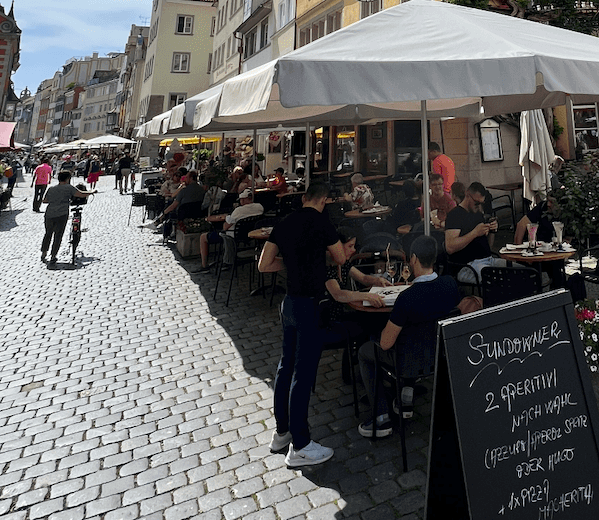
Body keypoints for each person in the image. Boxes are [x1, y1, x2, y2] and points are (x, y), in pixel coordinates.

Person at [258, 181, 345, 469]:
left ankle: (281, 432)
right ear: (323, 201)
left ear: (304, 198)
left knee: (285, 366)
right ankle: (301, 444)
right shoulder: (322, 223)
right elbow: (341, 257)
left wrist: (290, 263)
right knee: (303, 373)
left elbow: (264, 264)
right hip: (310, 303)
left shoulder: (285, 222)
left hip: (289, 302)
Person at [356, 234, 460, 438]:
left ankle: (381, 416)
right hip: (439, 357)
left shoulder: (407, 298)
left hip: (408, 361)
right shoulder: (450, 284)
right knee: (414, 336)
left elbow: (386, 344)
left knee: (366, 351)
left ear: (413, 259)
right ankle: (405, 396)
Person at [192, 188, 264, 273]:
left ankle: (204, 265)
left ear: (243, 199)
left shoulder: (239, 210)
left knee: (203, 237)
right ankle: (226, 259)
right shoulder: (260, 207)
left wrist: (226, 220)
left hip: (233, 235)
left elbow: (225, 227)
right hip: (248, 235)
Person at [444, 182, 505, 283]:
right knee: (499, 280)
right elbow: (450, 247)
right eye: (477, 202)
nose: (479, 206)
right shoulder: (454, 215)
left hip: (489, 260)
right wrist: (475, 233)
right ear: (467, 195)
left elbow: (488, 246)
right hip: (468, 266)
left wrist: (492, 231)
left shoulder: (478, 214)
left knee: (522, 272)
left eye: (482, 203)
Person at [41, 170, 91, 265]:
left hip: (49, 214)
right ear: (68, 179)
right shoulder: (68, 187)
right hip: (62, 214)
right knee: (58, 235)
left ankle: (44, 253)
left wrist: (55, 200)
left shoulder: (51, 188)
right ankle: (53, 255)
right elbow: (80, 194)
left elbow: (45, 200)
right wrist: (92, 192)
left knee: (48, 234)